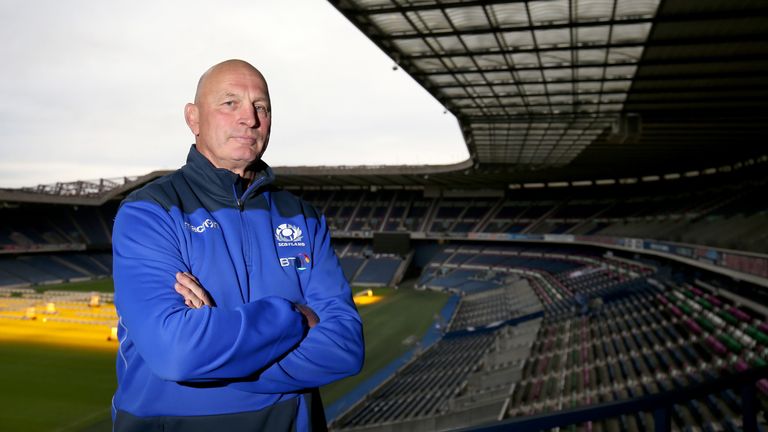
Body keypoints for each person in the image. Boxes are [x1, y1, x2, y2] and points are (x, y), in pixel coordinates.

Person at [111, 59, 364, 431]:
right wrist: (293, 316)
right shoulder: (150, 212)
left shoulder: (303, 216)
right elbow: (176, 354)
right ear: (193, 118)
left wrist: (212, 362)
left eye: (261, 107)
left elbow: (344, 348)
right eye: (230, 103)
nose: (250, 118)